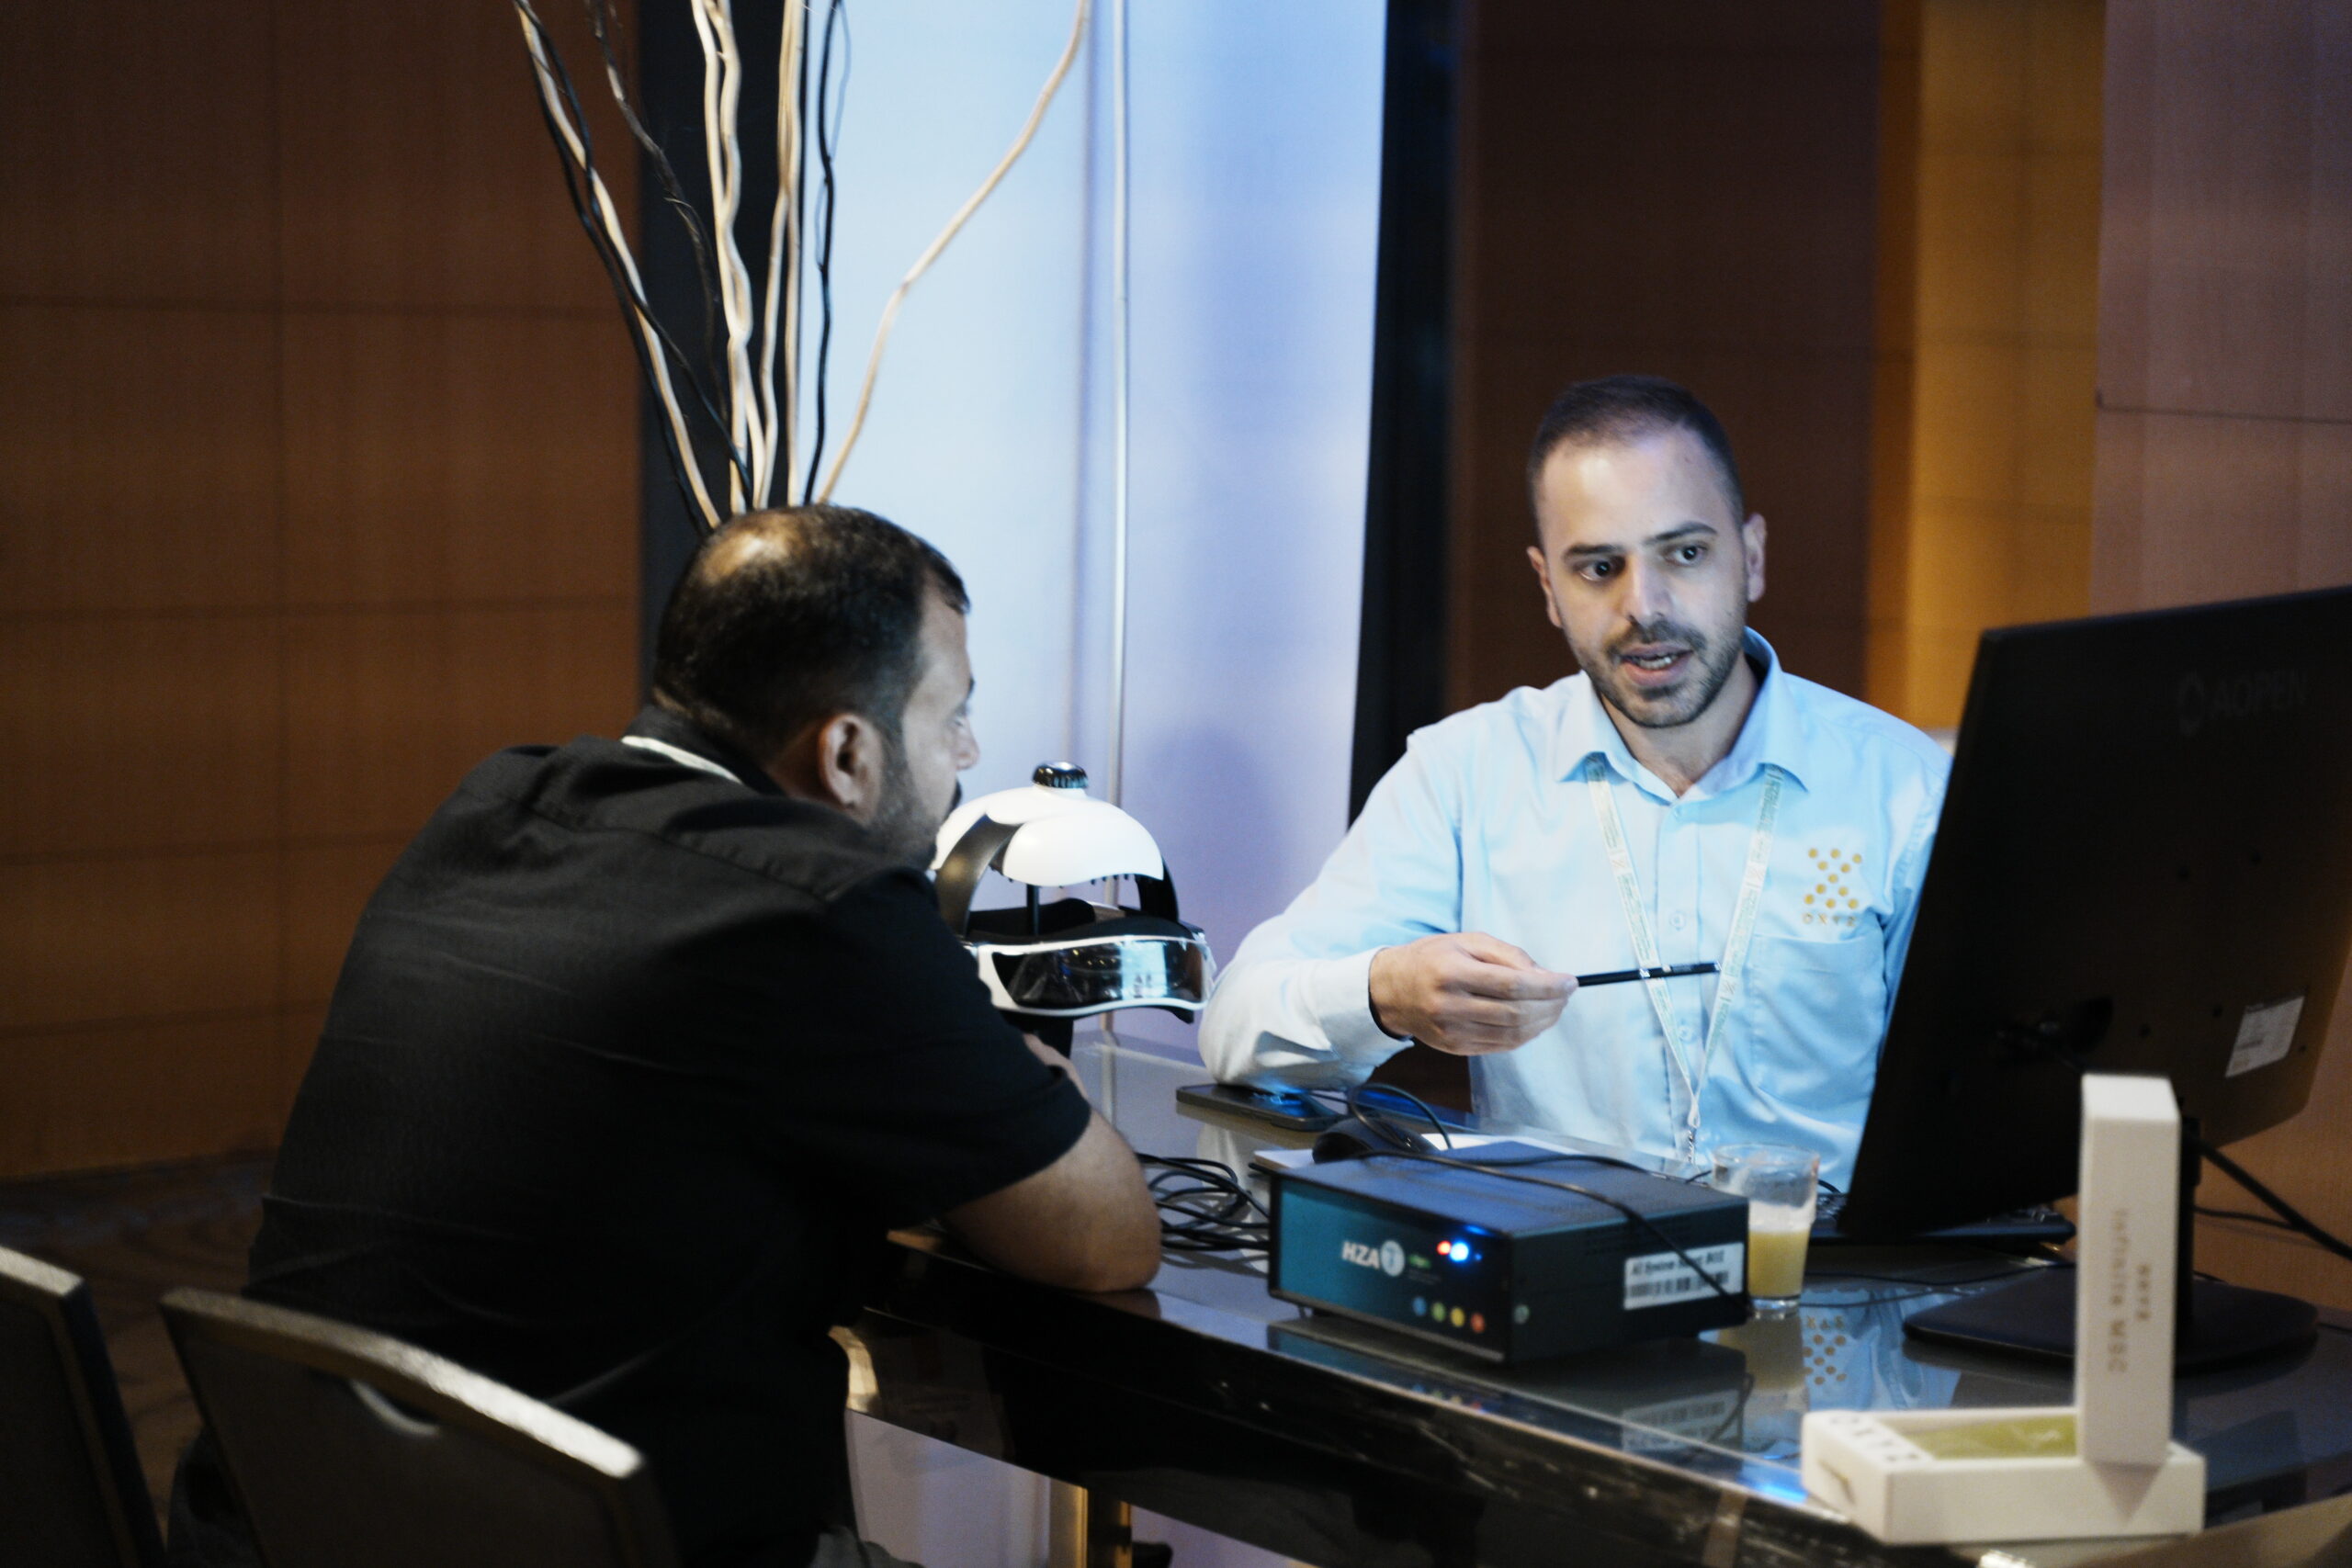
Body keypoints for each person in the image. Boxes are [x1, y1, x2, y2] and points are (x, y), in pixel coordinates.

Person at [168, 506, 1161, 1568]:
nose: (966, 749)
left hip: (279, 1523)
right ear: (845, 752)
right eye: (950, 715)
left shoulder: (491, 805)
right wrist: (1002, 1051)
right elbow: (1104, 1242)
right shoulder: (820, 905)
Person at [1200, 376, 1949, 1186]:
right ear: (1548, 587)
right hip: (1565, 1274)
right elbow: (1236, 1023)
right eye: (1598, 568)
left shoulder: (1903, 790)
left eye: (1686, 553)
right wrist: (1386, 992)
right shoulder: (1467, 775)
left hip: (1832, 1276)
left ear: (1753, 556)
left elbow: (1977, 1095)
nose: (1645, 606)